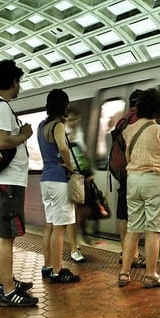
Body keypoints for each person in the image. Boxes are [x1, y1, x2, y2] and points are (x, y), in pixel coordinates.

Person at [0, 59, 36, 307]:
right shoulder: (1, 106)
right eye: (19, 82)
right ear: (13, 81)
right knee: (6, 235)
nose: (20, 88)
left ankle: (7, 281)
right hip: (8, 179)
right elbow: (3, 141)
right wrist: (24, 134)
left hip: (0, 178)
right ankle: (8, 289)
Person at [117, 88, 160, 288]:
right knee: (153, 229)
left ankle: (124, 273)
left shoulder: (129, 130)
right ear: (158, 110)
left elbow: (127, 158)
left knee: (133, 228)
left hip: (133, 181)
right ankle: (151, 275)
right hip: (155, 180)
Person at [38, 89, 81, 284]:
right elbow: (63, 148)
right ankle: (57, 271)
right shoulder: (58, 126)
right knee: (60, 228)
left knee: (49, 226)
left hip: (45, 179)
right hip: (58, 179)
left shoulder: (41, 126)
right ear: (63, 106)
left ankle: (47, 266)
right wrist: (70, 167)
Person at [115, 90, 145, 269]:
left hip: (122, 173)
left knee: (123, 214)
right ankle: (132, 254)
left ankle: (124, 250)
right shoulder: (140, 121)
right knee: (136, 215)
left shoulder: (122, 121)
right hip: (136, 172)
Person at [63, 106, 89, 262]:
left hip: (81, 177)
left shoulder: (80, 135)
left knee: (78, 213)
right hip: (69, 177)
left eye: (76, 118)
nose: (73, 122)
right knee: (71, 213)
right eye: (70, 119)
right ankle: (73, 247)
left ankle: (75, 242)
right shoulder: (64, 135)